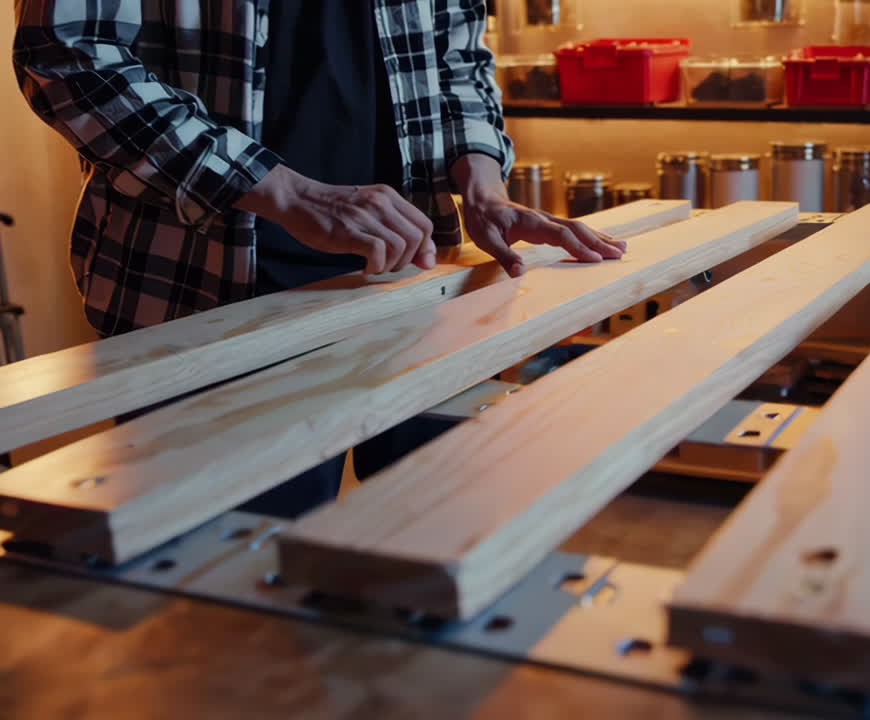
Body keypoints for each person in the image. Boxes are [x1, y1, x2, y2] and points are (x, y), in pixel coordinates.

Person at [13, 0, 623, 517]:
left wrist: (483, 186)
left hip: (418, 284)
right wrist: (289, 193)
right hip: (203, 292)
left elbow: (456, 60)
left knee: (437, 546)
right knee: (234, 592)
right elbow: (69, 58)